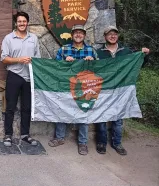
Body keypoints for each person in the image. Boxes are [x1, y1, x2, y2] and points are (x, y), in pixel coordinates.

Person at [95, 26, 150, 156]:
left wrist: (144, 55)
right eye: (110, 34)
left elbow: (139, 63)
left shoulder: (126, 51)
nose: (112, 36)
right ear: (105, 36)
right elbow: (93, 70)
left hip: (121, 90)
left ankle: (117, 143)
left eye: (115, 34)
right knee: (101, 116)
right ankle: (101, 143)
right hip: (103, 89)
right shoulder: (98, 52)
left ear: (118, 36)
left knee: (118, 118)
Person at [48, 24, 97, 155]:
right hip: (66, 85)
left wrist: (92, 61)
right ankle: (59, 137)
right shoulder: (64, 49)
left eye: (81, 32)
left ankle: (83, 142)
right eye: (76, 32)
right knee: (62, 109)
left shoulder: (91, 50)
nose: (78, 34)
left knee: (83, 112)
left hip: (84, 87)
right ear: (72, 35)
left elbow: (99, 69)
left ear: (84, 35)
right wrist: (64, 61)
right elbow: (55, 66)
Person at [1, 11, 41, 147]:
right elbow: (4, 59)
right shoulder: (8, 38)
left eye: (24, 21)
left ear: (27, 22)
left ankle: (25, 134)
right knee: (10, 107)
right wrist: (19, 59)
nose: (22, 24)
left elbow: (38, 58)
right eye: (19, 21)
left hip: (29, 77)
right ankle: (8, 135)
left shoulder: (33, 38)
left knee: (27, 107)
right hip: (14, 75)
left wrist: (34, 62)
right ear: (16, 23)